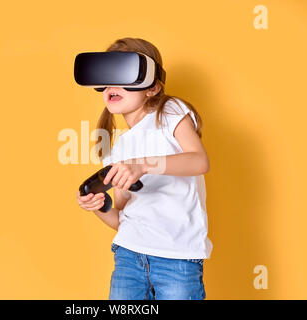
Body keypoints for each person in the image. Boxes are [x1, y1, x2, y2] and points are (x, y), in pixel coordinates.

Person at [76, 37, 212, 300]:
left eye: (122, 74)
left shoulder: (169, 112)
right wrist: (99, 207)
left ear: (152, 87)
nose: (112, 85)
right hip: (128, 255)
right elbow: (122, 218)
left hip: (177, 258)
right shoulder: (118, 149)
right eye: (106, 77)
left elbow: (199, 161)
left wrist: (143, 165)